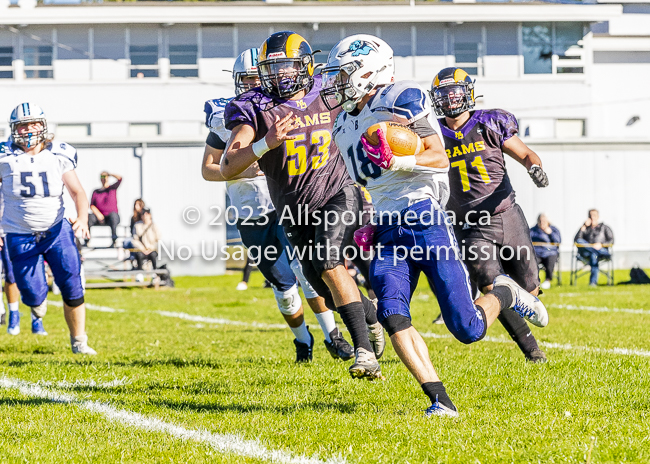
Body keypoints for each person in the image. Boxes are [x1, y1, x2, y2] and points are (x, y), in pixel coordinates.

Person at [321, 35, 548, 417]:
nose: (336, 84)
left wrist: (400, 163)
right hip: (387, 228)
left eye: (343, 75)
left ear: (369, 71)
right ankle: (440, 401)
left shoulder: (402, 97)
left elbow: (438, 158)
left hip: (426, 219)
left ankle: (505, 293)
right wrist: (366, 219)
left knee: (467, 329)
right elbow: (366, 181)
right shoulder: (343, 124)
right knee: (393, 314)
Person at [221, 32, 385, 379]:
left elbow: (370, 101)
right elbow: (228, 165)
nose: (278, 75)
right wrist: (265, 143)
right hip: (294, 209)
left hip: (339, 192)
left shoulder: (328, 91)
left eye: (285, 67)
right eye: (271, 68)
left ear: (305, 66)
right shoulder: (253, 107)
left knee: (329, 260)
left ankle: (364, 353)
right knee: (319, 281)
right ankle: (370, 314)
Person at [202, 48, 354, 362]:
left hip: (287, 203)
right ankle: (303, 340)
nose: (254, 85)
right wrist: (245, 166)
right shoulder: (228, 114)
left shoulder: (289, 107)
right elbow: (208, 168)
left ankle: (333, 335)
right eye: (248, 80)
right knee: (282, 285)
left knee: (308, 272)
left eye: (259, 78)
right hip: (250, 212)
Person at [429, 67, 550, 363]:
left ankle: (525, 315)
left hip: (506, 213)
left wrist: (535, 168)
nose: (449, 100)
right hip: (469, 226)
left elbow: (525, 153)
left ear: (468, 93)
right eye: (443, 95)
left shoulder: (489, 123)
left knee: (530, 288)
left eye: (454, 93)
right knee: (491, 286)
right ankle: (532, 351)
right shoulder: (433, 134)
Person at [0, 102, 96, 354]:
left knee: (72, 285)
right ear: (14, 129)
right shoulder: (4, 156)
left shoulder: (59, 154)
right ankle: (36, 303)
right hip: (19, 235)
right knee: (32, 295)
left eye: (33, 123)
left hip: (56, 230)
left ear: (43, 126)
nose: (28, 129)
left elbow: (78, 192)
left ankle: (79, 343)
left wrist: (82, 219)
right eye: (23, 124)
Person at [574, 209, 614, 286]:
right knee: (591, 252)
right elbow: (577, 240)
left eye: (594, 215)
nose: (592, 217)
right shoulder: (586, 229)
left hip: (602, 251)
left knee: (594, 254)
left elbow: (611, 240)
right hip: (587, 253)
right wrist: (583, 227)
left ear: (598, 217)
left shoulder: (604, 228)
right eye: (590, 216)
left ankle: (593, 283)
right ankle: (593, 283)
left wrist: (601, 244)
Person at [88, 171, 122, 247]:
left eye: (104, 177)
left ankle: (114, 240)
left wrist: (109, 174)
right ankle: (87, 240)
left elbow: (120, 178)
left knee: (113, 216)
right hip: (100, 217)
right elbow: (92, 205)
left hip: (111, 217)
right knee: (89, 217)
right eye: (102, 177)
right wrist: (98, 214)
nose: (103, 179)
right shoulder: (96, 192)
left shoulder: (112, 189)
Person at [530, 213, 561, 289]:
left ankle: (548, 280)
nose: (542, 223)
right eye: (540, 221)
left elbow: (558, 241)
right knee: (531, 263)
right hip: (537, 253)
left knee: (550, 261)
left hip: (550, 253)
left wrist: (550, 233)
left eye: (544, 221)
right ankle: (534, 281)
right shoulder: (533, 230)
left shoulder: (554, 230)